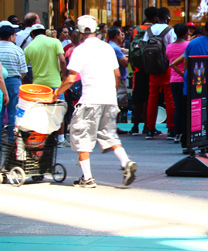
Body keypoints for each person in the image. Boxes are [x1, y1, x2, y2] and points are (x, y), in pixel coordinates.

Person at [51, 15, 137, 188]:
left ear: (80, 32)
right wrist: (112, 93)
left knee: (82, 136)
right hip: (109, 99)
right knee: (109, 135)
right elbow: (117, 74)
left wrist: (56, 93)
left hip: (90, 99)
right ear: (97, 30)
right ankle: (125, 161)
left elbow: (71, 78)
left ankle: (88, 177)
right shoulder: (107, 48)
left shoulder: (80, 50)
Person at [24, 23, 70, 147]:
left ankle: (42, 140)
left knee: (41, 112)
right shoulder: (54, 42)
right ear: (44, 32)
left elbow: (24, 68)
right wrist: (63, 75)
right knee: (59, 111)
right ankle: (60, 139)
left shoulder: (29, 47)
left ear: (32, 34)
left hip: (39, 86)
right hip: (55, 83)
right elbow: (62, 60)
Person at [143, 7, 176, 140]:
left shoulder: (149, 30)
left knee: (152, 98)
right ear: (167, 17)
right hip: (166, 67)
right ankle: (171, 128)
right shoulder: (169, 30)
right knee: (169, 98)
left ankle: (150, 128)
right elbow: (171, 48)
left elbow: (145, 47)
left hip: (152, 69)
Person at [129, 6, 158, 136]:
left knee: (137, 99)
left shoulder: (136, 29)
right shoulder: (155, 29)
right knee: (149, 98)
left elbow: (130, 49)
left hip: (138, 69)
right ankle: (148, 126)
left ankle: (135, 127)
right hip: (151, 68)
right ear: (155, 17)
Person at [0, 21, 27, 143]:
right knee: (13, 113)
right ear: (11, 36)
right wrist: (18, 80)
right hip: (13, 82)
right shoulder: (17, 50)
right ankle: (12, 142)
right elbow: (23, 70)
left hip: (1, 83)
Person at [166, 23, 190, 144]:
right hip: (185, 80)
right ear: (186, 33)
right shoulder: (188, 45)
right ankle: (184, 132)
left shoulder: (169, 47)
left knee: (177, 107)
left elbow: (169, 60)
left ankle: (176, 133)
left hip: (173, 80)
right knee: (186, 107)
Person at [106, 26, 130, 120]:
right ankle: (113, 126)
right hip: (117, 79)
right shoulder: (115, 48)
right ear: (116, 35)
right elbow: (124, 62)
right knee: (118, 103)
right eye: (121, 34)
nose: (122, 37)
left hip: (111, 78)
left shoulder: (109, 46)